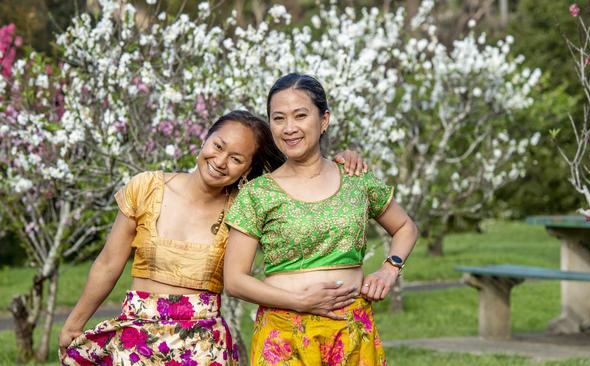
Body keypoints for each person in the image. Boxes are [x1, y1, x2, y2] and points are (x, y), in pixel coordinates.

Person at [58, 110, 367, 365]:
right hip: (136, 339)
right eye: (218, 146)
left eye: (236, 158)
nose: (220, 161)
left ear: (247, 170)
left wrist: (332, 163)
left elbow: (302, 196)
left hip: (203, 346)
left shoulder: (247, 205)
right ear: (204, 140)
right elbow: (109, 264)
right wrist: (74, 322)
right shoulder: (146, 187)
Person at [223, 74, 418, 365]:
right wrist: (301, 302)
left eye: (300, 115)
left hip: (351, 333)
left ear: (323, 119)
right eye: (278, 118)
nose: (289, 128)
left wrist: (390, 270)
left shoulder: (355, 177)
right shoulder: (257, 193)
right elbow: (235, 281)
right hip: (284, 338)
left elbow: (405, 227)